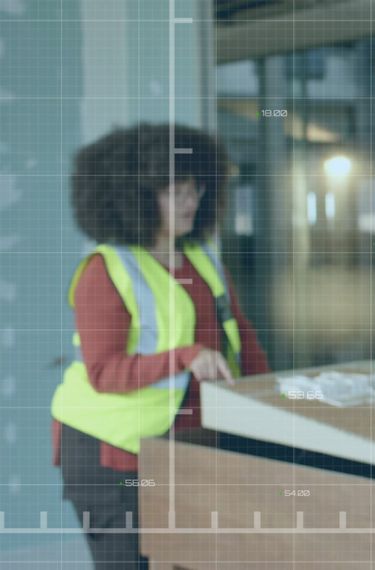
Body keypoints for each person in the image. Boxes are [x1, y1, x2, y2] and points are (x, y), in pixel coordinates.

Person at [51, 123, 270, 569]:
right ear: (135, 196)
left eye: (195, 190)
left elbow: (239, 334)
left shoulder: (202, 257)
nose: (190, 202)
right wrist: (186, 357)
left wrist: (273, 396)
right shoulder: (105, 270)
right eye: (175, 192)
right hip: (109, 451)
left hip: (180, 445)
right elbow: (104, 373)